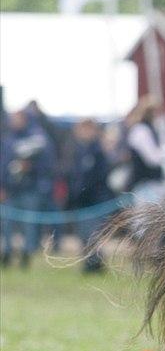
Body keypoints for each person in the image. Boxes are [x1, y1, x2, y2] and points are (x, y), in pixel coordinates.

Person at [0, 109, 56, 267]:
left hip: (30, 190)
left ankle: (26, 254)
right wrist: (2, 186)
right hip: (10, 190)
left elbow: (47, 164)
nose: (14, 122)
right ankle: (7, 253)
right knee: (7, 224)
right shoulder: (8, 139)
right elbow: (3, 164)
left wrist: (30, 168)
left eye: (17, 118)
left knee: (29, 225)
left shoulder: (38, 137)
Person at [67, 119, 112, 272]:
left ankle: (95, 263)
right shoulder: (78, 151)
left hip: (94, 200)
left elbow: (99, 176)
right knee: (84, 234)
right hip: (81, 200)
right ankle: (89, 262)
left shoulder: (97, 151)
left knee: (92, 233)